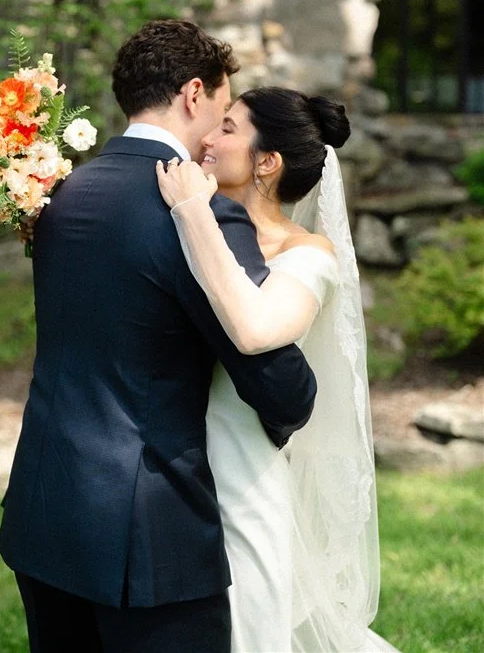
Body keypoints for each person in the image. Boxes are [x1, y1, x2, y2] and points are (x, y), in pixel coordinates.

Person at [0, 21, 317, 653]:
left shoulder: (63, 194)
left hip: (43, 507)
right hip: (145, 530)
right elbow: (279, 384)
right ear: (194, 94)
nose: (221, 130)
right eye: (224, 110)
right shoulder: (199, 210)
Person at [156, 86, 401, 652]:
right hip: (167, 450)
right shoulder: (180, 216)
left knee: (250, 623)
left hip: (243, 461)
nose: (208, 137)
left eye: (229, 129)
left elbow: (256, 330)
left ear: (267, 162)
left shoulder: (309, 253)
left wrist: (193, 213)